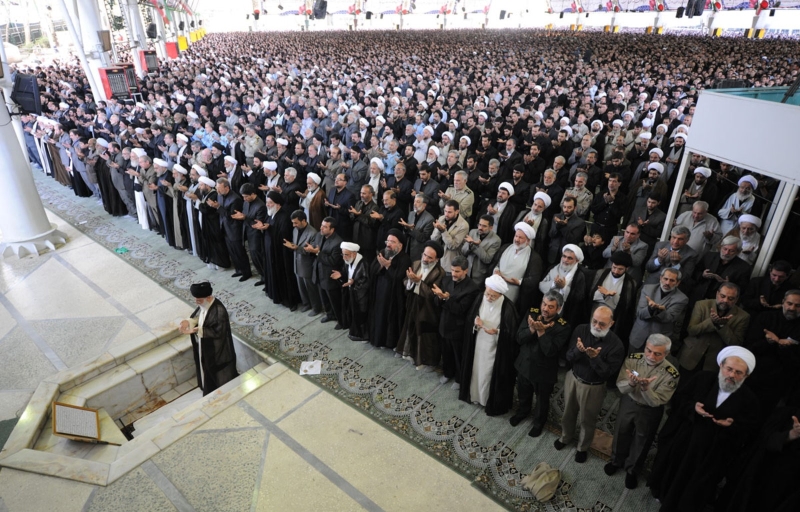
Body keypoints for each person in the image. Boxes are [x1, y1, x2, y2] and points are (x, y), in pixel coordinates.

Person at [648, 347, 761, 512]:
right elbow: (679, 400)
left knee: (697, 485)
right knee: (675, 472)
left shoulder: (750, 400)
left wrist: (732, 425)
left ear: (746, 376)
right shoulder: (703, 378)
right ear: (721, 366)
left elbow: (750, 428)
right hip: (687, 440)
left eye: (739, 373)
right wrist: (693, 408)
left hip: (714, 451)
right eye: (729, 369)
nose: (732, 375)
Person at [605, 334, 679, 489]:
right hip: (629, 402)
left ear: (666, 354)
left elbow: (658, 401)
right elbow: (620, 385)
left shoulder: (671, 373)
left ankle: (632, 469)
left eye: (657, 353)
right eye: (648, 350)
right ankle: (616, 461)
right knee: (621, 432)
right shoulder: (633, 358)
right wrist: (631, 384)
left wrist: (645, 389)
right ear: (645, 346)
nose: (651, 356)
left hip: (649, 410)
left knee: (642, 440)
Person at [555, 306, 625, 463]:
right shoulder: (581, 330)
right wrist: (578, 351)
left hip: (594, 387)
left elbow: (607, 373)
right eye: (594, 321)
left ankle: (582, 447)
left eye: (602, 324)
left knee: (587, 420)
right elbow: (569, 356)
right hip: (572, 378)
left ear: (611, 324)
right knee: (567, 412)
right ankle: (565, 437)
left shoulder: (616, 345)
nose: (597, 326)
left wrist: (594, 358)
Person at [510, 291, 571, 437]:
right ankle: (523, 412)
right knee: (523, 392)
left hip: (544, 371)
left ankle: (538, 423)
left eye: (551, 307)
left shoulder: (563, 327)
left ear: (559, 309)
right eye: (544, 304)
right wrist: (531, 329)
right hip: (525, 364)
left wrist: (541, 332)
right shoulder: (532, 313)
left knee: (542, 400)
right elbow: (519, 338)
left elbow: (550, 351)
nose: (545, 308)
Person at [459, 274, 519, 416]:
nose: (488, 298)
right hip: (478, 342)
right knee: (476, 370)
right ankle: (475, 397)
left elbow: (512, 333)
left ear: (500, 295)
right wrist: (475, 323)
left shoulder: (508, 307)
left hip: (494, 348)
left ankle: (486, 400)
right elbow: (470, 317)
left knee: (487, 374)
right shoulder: (480, 298)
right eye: (487, 294)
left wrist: (497, 332)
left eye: (493, 296)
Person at [179, 282, 239, 395]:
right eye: (195, 300)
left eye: (199, 300)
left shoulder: (219, 310)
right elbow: (199, 316)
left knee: (218, 374)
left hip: (217, 349)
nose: (197, 303)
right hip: (205, 345)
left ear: (209, 297)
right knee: (205, 368)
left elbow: (219, 331)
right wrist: (189, 321)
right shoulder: (205, 304)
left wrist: (196, 330)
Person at [678, 283, 750, 376]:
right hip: (690, 355)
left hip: (714, 363)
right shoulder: (702, 305)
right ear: (717, 294)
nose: (725, 300)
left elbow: (736, 344)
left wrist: (722, 326)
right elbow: (692, 330)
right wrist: (711, 322)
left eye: (730, 299)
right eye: (722, 296)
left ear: (736, 299)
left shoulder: (743, 316)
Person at [395, 241, 445, 370]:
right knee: (411, 329)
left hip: (427, 308)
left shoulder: (440, 273)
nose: (425, 259)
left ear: (437, 259)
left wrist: (418, 282)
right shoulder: (416, 263)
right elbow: (406, 281)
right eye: (424, 255)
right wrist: (411, 282)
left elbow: (432, 294)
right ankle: (412, 355)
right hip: (413, 302)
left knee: (425, 336)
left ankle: (428, 362)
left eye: (429, 257)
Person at [432, 256, 480, 388]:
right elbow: (436, 301)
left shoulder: (472, 288)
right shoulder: (446, 280)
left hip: (458, 328)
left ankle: (459, 379)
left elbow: (460, 310)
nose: (453, 273)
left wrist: (446, 299)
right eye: (452, 270)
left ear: (466, 271)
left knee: (458, 355)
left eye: (457, 271)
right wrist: (439, 298)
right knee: (446, 352)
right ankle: (448, 373)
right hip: (444, 323)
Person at [369, 230, 413, 349]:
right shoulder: (383, 252)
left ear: (400, 245)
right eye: (387, 241)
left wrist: (388, 266)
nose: (388, 244)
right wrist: (381, 266)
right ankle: (378, 340)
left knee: (390, 318)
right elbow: (372, 270)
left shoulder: (405, 259)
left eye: (392, 242)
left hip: (393, 296)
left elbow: (399, 279)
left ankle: (390, 343)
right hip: (379, 292)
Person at [629, 268, 688, 353]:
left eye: (672, 280)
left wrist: (661, 311)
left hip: (658, 342)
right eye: (665, 279)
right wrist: (650, 309)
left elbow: (669, 318)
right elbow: (640, 313)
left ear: (678, 283)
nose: (667, 283)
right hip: (639, 336)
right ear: (660, 278)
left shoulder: (681, 299)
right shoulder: (647, 289)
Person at [285, 210, 324, 316]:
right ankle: (306, 303)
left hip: (307, 264)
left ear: (303, 221)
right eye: (293, 223)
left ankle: (316, 307)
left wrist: (296, 248)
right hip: (297, 262)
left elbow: (311, 252)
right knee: (301, 286)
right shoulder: (295, 230)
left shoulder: (313, 233)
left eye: (296, 223)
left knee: (311, 288)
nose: (294, 225)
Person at [308, 217, 345, 328]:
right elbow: (315, 248)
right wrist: (312, 250)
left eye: (325, 227)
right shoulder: (320, 235)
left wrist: (318, 253)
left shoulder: (338, 242)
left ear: (332, 229)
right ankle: (330, 314)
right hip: (319, 273)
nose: (321, 228)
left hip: (330, 276)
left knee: (335, 301)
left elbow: (333, 261)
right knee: (324, 299)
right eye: (321, 225)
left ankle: (341, 321)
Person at [332, 242, 371, 341]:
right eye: (343, 254)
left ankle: (363, 336)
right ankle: (355, 332)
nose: (344, 257)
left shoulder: (363, 263)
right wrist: (341, 275)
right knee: (353, 313)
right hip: (352, 293)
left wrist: (354, 283)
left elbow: (366, 281)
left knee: (361, 315)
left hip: (361, 296)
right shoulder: (348, 262)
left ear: (353, 254)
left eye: (346, 254)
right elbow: (346, 274)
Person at [215, 178, 251, 282]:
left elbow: (232, 216)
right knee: (232, 251)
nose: (218, 191)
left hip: (235, 229)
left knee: (239, 252)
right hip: (226, 228)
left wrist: (218, 207)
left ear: (227, 187)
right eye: (217, 188)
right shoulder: (220, 195)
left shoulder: (235, 199)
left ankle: (246, 272)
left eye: (219, 188)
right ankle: (238, 269)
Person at [461, 214, 502, 286]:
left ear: (491, 227)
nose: (480, 228)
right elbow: (463, 252)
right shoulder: (473, 232)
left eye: (484, 226)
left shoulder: (496, 240)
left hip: (479, 276)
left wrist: (475, 245)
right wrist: (470, 245)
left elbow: (487, 259)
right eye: (479, 224)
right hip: (466, 272)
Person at [430, 200, 469, 274]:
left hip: (449, 262)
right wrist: (439, 229)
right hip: (436, 258)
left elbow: (453, 246)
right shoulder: (442, 218)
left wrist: (443, 231)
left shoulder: (464, 225)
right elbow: (433, 239)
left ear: (457, 211)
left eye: (449, 212)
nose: (446, 214)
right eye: (445, 211)